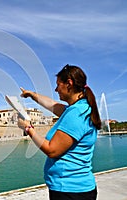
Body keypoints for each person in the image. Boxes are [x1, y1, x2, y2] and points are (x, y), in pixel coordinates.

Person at [18, 64, 101, 200]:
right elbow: (51, 104)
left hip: (69, 191)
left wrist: (28, 129)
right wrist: (31, 95)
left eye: (58, 85)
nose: (56, 89)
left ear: (69, 83)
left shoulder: (76, 113)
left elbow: (52, 150)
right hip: (75, 189)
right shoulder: (79, 108)